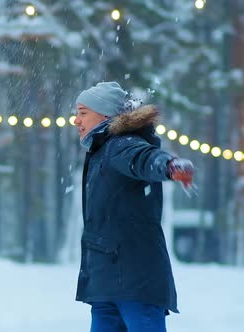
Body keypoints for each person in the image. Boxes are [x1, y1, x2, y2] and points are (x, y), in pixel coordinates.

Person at [73, 82, 195, 332]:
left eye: (83, 113)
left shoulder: (119, 144)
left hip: (134, 282)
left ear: (105, 115)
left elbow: (143, 157)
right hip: (105, 284)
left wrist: (169, 166)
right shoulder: (101, 150)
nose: (76, 120)